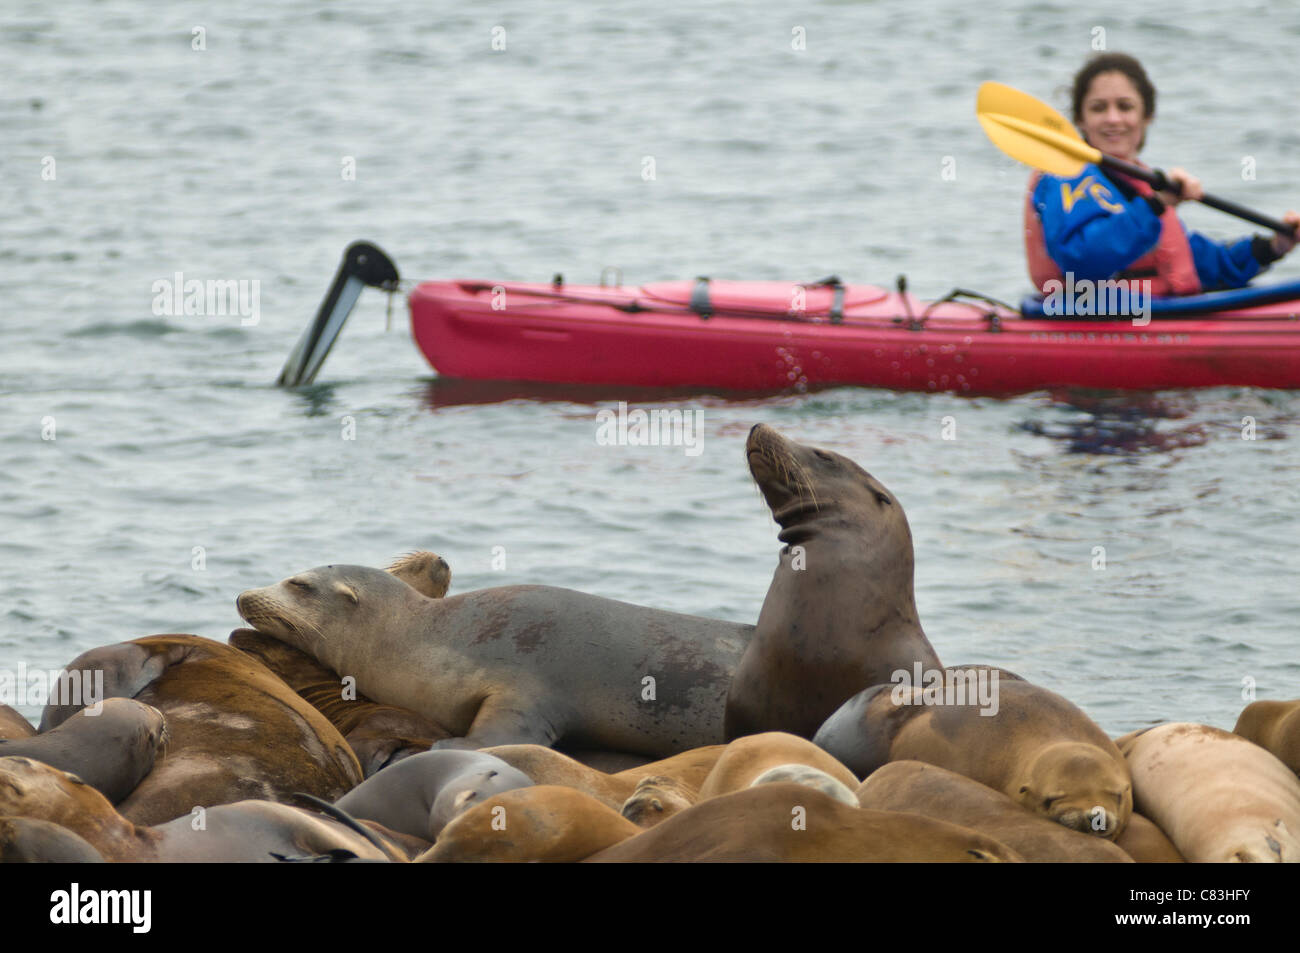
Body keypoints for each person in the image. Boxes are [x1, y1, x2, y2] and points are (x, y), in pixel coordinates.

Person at [1025, 52, 1299, 296]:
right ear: (1080, 120)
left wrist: (1274, 246)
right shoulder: (1064, 177)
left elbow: (1199, 264)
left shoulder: (1142, 185)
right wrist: (1155, 204)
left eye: (1125, 106)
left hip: (1160, 315)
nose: (1113, 118)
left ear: (1147, 116)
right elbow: (1081, 261)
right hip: (1095, 320)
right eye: (1098, 108)